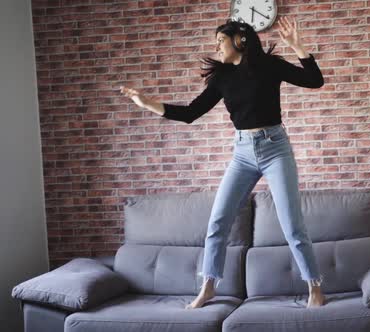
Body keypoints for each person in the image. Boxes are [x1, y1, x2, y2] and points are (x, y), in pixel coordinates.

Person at [119, 16, 326, 309]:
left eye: (220, 40)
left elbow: (315, 81)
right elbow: (192, 112)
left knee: (292, 225)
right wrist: (148, 103)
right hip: (242, 153)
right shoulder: (222, 78)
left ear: (239, 40)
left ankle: (315, 287)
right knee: (217, 222)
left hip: (275, 149)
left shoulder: (269, 65)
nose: (216, 47)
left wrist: (298, 47)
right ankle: (208, 287)